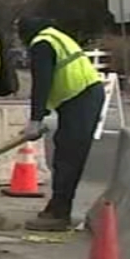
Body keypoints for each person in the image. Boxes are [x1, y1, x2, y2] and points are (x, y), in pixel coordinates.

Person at [18, 16, 106, 232]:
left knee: (68, 157)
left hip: (81, 98)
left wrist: (35, 120)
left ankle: (59, 214)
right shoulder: (55, 37)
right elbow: (57, 77)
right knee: (66, 155)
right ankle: (56, 207)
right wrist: (41, 114)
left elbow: (42, 82)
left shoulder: (42, 44)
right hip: (82, 97)